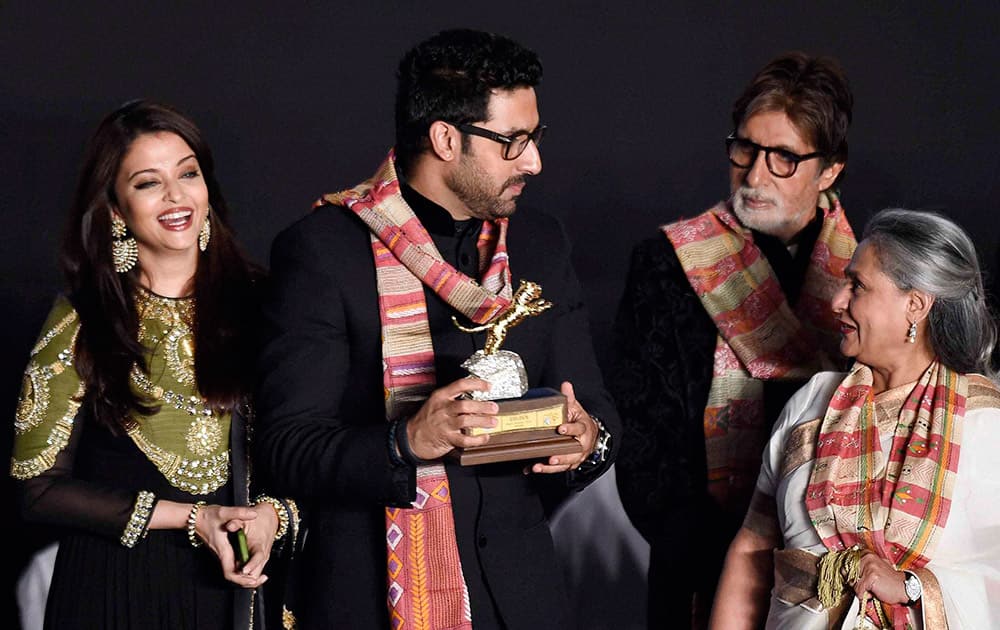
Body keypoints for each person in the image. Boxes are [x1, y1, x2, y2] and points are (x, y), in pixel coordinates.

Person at [255, 28, 619, 629]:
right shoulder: (324, 251)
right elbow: (285, 446)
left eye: (535, 137)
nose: (535, 161)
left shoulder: (541, 243)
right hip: (376, 600)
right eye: (514, 141)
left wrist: (585, 442)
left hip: (523, 601)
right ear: (446, 138)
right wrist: (404, 442)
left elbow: (600, 409)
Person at [11, 100, 298, 629]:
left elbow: (316, 448)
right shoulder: (81, 319)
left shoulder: (269, 304)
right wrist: (192, 519)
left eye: (188, 173)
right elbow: (38, 488)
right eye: (147, 182)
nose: (175, 195)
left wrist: (275, 516)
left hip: (242, 588)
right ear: (116, 210)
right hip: (117, 588)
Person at [612, 52, 856, 628]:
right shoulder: (667, 263)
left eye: (784, 158)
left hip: (826, 571)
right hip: (698, 564)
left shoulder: (863, 273)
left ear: (830, 171)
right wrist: (730, 564)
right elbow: (643, 444)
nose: (754, 173)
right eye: (745, 148)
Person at [710, 208, 1000, 629]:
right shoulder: (812, 404)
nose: (837, 301)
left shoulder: (983, 423)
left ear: (915, 305)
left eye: (857, 286)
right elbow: (753, 549)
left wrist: (914, 588)